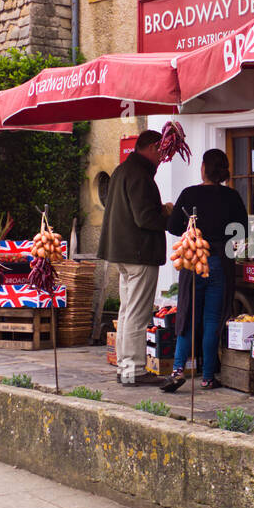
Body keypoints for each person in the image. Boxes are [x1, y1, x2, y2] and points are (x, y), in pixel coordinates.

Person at [162, 148, 248, 392]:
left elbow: (172, 226)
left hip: (192, 261)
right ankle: (208, 377)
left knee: (187, 316)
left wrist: (189, 228)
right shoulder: (231, 197)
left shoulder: (189, 194)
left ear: (204, 168)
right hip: (220, 262)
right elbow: (242, 230)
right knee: (212, 320)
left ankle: (178, 370)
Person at [97, 129, 174, 385]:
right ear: (151, 147)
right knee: (137, 314)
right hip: (139, 253)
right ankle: (134, 370)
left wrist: (160, 210)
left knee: (127, 311)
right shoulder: (140, 174)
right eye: (161, 151)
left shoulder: (123, 170)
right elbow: (145, 218)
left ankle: (125, 367)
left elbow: (133, 211)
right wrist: (168, 216)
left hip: (122, 252)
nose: (162, 156)